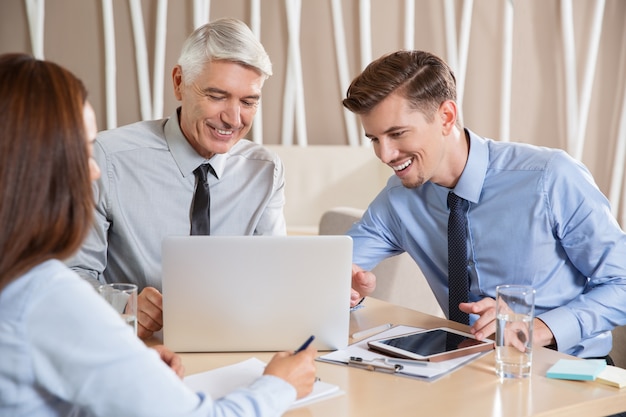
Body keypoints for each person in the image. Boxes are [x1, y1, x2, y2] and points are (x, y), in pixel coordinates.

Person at [0, 52, 317, 417]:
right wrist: (280, 386)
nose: (93, 171)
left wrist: (119, 361)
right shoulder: (45, 294)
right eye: (80, 152)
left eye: (248, 101)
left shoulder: (20, 281)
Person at [343, 50, 626, 360]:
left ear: (446, 117)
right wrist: (347, 290)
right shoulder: (399, 199)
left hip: (568, 371)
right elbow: (330, 270)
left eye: (397, 134)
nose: (384, 155)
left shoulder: (549, 177)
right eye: (374, 139)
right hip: (465, 369)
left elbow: (621, 282)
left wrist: (540, 327)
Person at [67, 18, 286, 339]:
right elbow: (70, 273)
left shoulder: (265, 170)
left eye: (249, 101)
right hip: (136, 347)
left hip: (235, 342)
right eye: (217, 95)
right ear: (179, 82)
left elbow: (275, 275)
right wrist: (121, 304)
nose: (233, 118)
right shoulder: (106, 158)